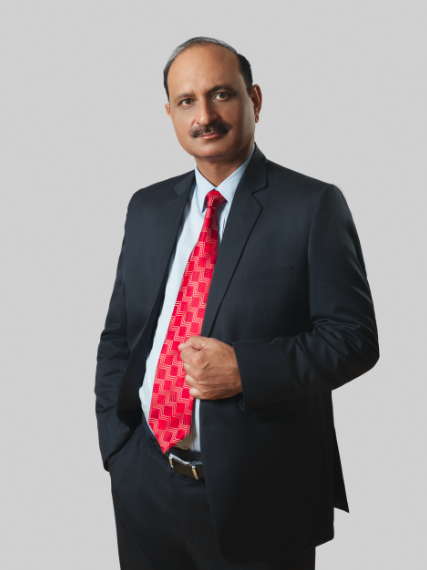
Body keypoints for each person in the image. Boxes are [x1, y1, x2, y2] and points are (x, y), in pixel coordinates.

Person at [95, 37, 379, 570]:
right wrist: (118, 448)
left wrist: (244, 370)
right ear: (170, 113)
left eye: (221, 94)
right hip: (145, 485)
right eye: (187, 101)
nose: (204, 115)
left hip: (262, 494)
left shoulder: (312, 205)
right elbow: (119, 338)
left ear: (255, 100)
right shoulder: (147, 207)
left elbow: (354, 339)